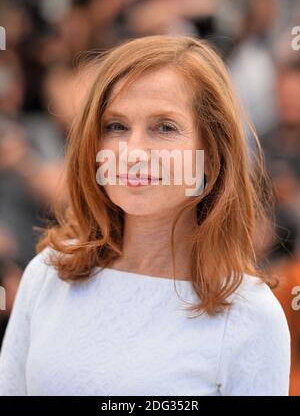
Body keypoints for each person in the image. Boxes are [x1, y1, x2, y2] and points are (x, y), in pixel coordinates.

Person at [0, 35, 291, 396]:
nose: (132, 152)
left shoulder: (249, 314)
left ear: (212, 153)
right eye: (116, 126)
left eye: (164, 127)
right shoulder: (48, 274)